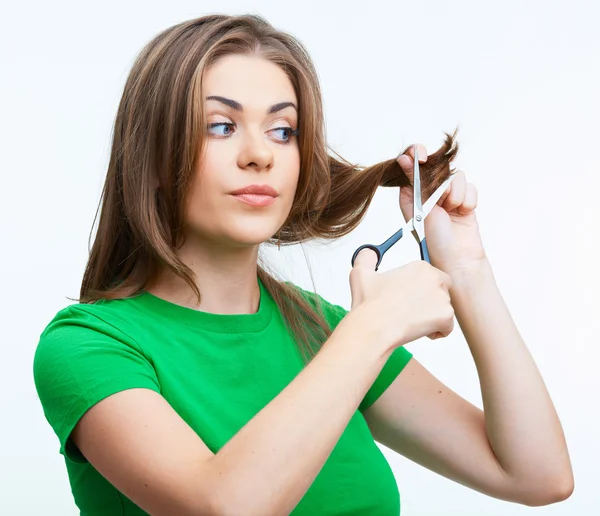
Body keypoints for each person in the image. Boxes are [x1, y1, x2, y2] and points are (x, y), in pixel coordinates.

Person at [33, 13, 573, 516]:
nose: (260, 154)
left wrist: (469, 270)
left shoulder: (322, 331)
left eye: (283, 131)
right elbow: (225, 506)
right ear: (151, 157)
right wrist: (373, 328)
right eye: (220, 126)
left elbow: (536, 476)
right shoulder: (86, 346)